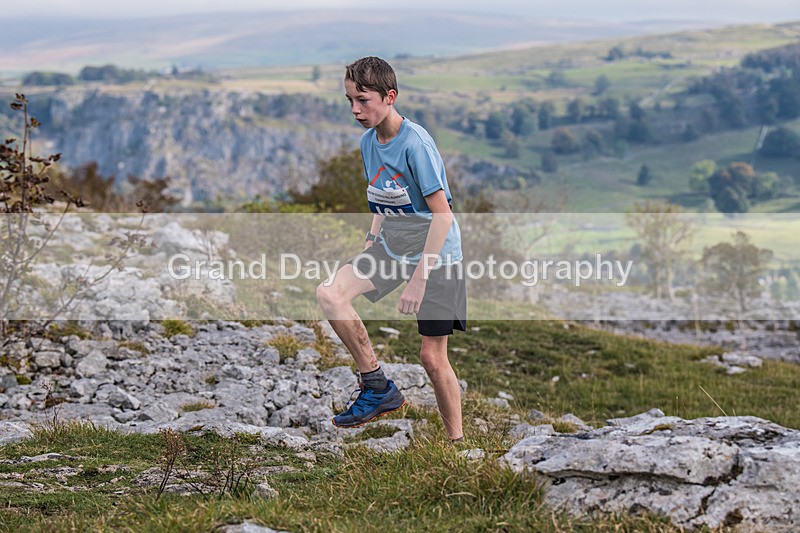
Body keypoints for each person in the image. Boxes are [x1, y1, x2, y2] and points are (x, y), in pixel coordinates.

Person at [316, 56, 467, 442]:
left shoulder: (416, 144)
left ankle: (456, 443)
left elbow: (443, 216)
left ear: (390, 97)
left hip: (437, 256)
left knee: (432, 358)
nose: (355, 110)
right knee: (330, 294)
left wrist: (418, 279)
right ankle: (376, 385)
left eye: (363, 100)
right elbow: (382, 196)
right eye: (350, 100)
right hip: (392, 248)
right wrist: (371, 241)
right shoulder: (368, 142)